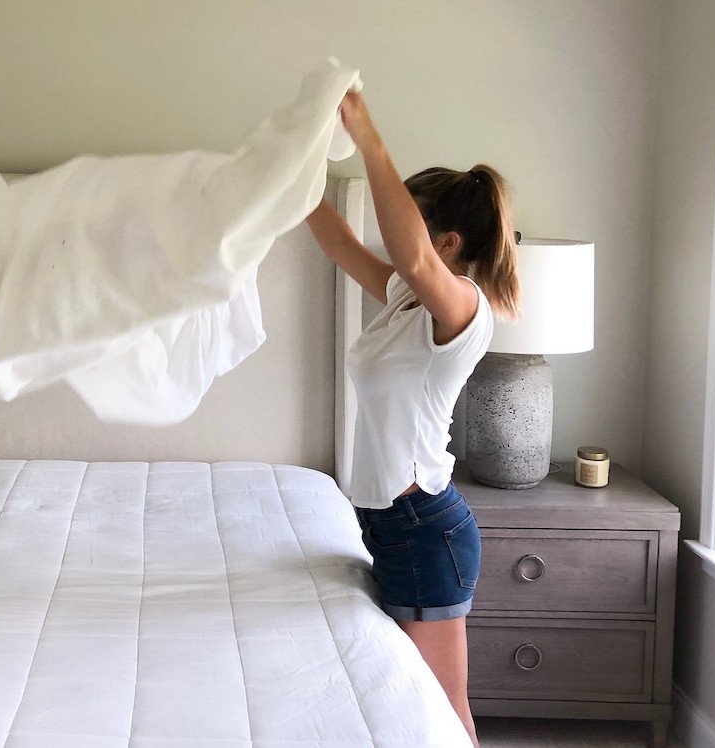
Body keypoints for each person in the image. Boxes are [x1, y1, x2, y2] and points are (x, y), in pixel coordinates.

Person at [307, 90, 520, 748]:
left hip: (424, 528)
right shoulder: (409, 300)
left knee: (441, 711)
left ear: (448, 242)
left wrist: (369, 137)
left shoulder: (464, 310)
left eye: (414, 227)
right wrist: (292, 173)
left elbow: (416, 258)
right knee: (408, 708)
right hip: (390, 522)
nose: (396, 242)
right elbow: (341, 243)